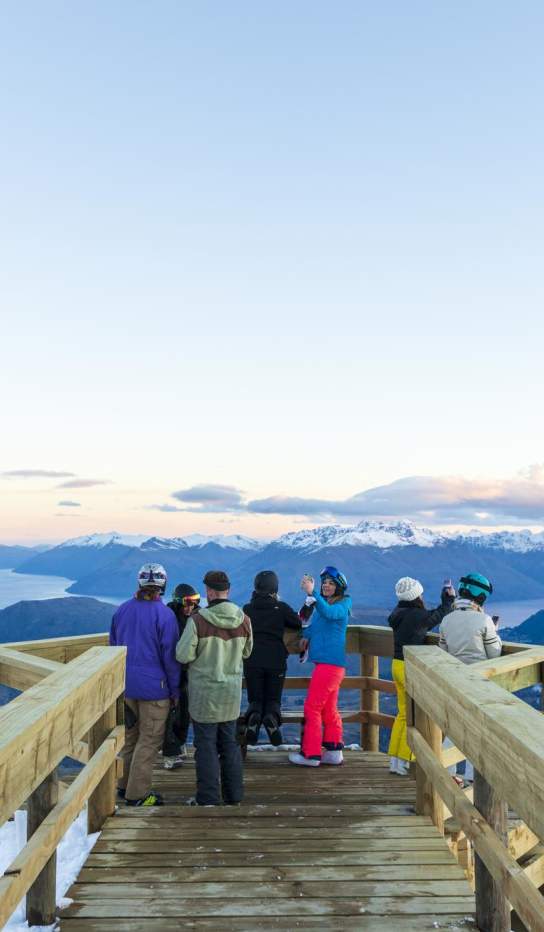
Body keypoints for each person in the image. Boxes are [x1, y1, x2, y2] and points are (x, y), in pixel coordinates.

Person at [176, 569, 253, 805]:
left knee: (206, 745)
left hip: (204, 695)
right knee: (229, 744)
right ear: (227, 590)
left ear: (209, 592)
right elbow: (247, 652)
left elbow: (182, 655)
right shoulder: (244, 620)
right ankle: (234, 796)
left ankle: (208, 798)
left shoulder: (198, 620)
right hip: (230, 694)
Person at [110, 563, 181, 807]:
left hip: (127, 686)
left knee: (131, 738)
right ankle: (138, 795)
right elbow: (170, 657)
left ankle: (123, 786)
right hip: (155, 688)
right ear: (163, 585)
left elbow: (113, 646)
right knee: (149, 740)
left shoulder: (122, 611)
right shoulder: (165, 615)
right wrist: (175, 691)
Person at [388, 576, 455, 776]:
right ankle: (405, 760)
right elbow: (437, 615)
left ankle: (395, 761)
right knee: (413, 716)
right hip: (409, 666)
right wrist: (448, 600)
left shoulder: (398, 613)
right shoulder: (416, 615)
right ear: (416, 595)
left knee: (402, 714)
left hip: (396, 664)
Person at [439, 572, 501, 784]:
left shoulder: (446, 620)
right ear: (481, 596)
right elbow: (494, 654)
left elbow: (442, 652)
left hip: (454, 680)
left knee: (453, 728)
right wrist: (495, 631)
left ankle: (449, 775)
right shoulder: (484, 620)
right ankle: (472, 779)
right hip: (478, 683)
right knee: (478, 731)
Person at [289, 566, 352, 767]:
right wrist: (305, 637)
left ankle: (311, 754)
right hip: (331, 666)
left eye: (331, 583)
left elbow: (331, 614)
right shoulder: (323, 604)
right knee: (328, 708)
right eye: (324, 582)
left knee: (312, 707)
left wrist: (313, 593)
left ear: (339, 587)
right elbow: (317, 625)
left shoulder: (344, 603)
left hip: (329, 665)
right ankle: (333, 751)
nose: (326, 585)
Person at [242, 570, 302, 746]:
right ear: (274, 587)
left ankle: (253, 717)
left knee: (255, 699)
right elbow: (297, 623)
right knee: (273, 699)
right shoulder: (281, 608)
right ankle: (271, 718)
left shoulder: (247, 609)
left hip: (252, 660)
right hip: (276, 661)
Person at [162, 583, 201, 769]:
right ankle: (169, 753)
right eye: (186, 603)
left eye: (194, 602)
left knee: (184, 712)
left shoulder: (198, 616)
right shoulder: (168, 617)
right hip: (170, 671)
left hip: (188, 671)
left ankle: (179, 743)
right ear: (177, 602)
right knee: (170, 713)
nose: (190, 607)